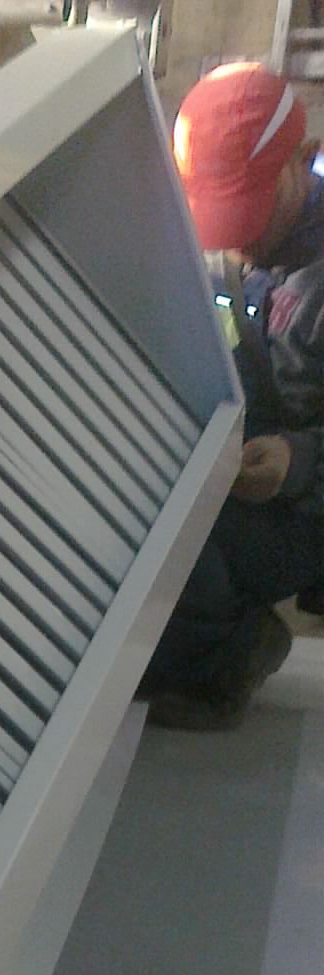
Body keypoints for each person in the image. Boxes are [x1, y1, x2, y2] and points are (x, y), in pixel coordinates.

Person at [142, 61, 324, 730]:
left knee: (181, 550)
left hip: (305, 504)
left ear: (305, 159)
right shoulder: (223, 253)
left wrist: (297, 460)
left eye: (251, 204)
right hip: (242, 469)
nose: (235, 238)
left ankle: (230, 654)